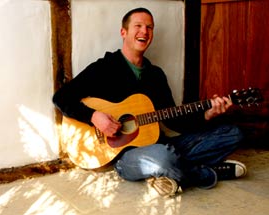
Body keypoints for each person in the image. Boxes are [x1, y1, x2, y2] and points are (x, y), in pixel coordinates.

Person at [52, 7, 247, 197]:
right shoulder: (104, 67)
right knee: (163, 157)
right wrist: (94, 117)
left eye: (149, 27)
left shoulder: (156, 75)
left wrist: (207, 113)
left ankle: (170, 172)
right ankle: (205, 173)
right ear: (124, 32)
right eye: (138, 26)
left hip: (159, 145)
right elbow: (61, 98)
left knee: (233, 133)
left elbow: (174, 120)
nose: (144, 31)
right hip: (126, 157)